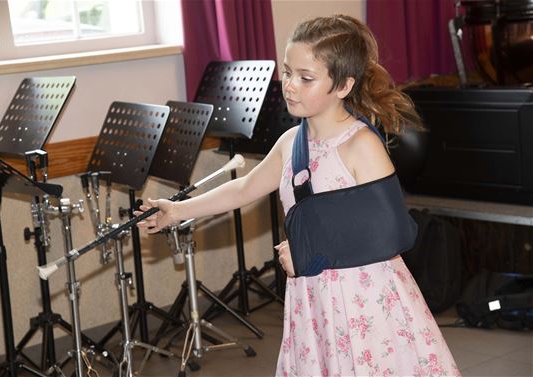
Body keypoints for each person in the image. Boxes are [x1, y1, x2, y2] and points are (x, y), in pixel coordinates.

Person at [136, 14, 460, 377]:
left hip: (365, 302)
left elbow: (392, 232)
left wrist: (310, 247)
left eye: (306, 78)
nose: (290, 86)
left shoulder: (360, 145)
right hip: (314, 296)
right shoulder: (291, 142)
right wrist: (177, 210)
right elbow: (244, 188)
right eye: (287, 72)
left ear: (342, 86)